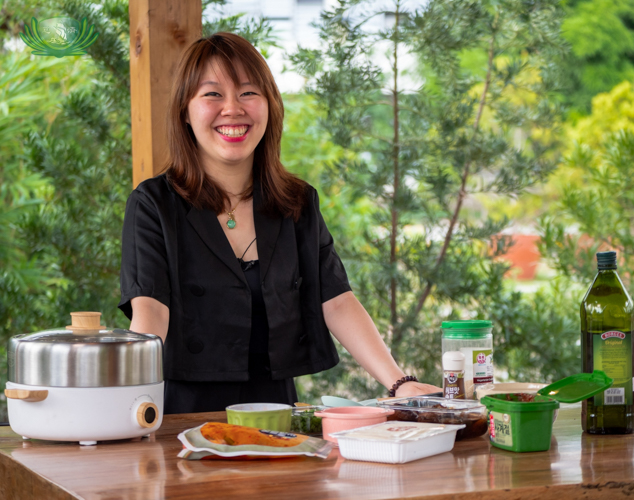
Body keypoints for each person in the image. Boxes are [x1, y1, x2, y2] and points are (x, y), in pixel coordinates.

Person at [118, 32, 440, 414]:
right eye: (212, 94)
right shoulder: (154, 204)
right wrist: (125, 402)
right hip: (182, 415)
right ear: (185, 112)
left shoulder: (296, 201)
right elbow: (151, 311)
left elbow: (336, 299)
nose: (233, 109)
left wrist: (400, 383)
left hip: (275, 412)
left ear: (269, 106)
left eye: (248, 92)